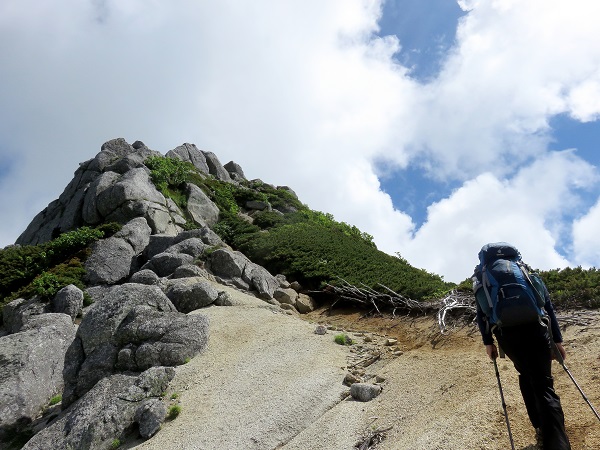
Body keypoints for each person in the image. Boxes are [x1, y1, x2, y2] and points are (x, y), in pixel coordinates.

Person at [474, 246, 571, 450]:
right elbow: (547, 305)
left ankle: (541, 430)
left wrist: (487, 342)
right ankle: (558, 444)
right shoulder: (522, 270)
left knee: (526, 375)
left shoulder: (482, 276)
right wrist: (558, 340)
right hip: (536, 329)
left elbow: (482, 314)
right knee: (543, 384)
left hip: (507, 335)